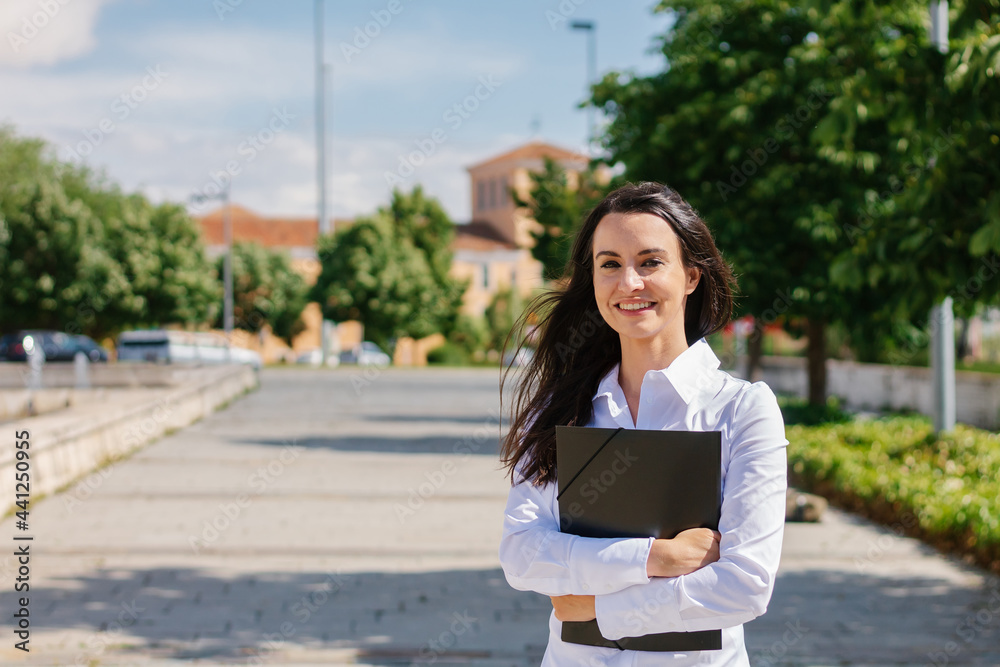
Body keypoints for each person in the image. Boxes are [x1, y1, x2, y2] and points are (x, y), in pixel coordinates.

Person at [498, 182, 788, 666]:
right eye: (609, 263)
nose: (628, 282)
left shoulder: (741, 410)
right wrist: (656, 558)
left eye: (650, 262)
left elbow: (744, 587)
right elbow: (522, 554)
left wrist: (595, 607)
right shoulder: (564, 406)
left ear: (692, 276)